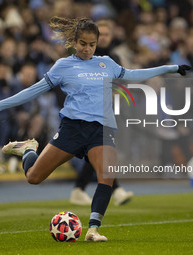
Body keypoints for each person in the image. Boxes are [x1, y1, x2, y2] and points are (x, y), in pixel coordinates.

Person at [0, 16, 190, 242]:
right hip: (72, 129)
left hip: (101, 130)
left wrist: (172, 68)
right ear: (74, 42)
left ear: (97, 43)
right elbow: (32, 91)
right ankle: (28, 149)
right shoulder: (63, 66)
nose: (87, 49)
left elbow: (134, 75)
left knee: (106, 176)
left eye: (92, 44)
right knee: (34, 177)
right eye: (83, 44)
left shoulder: (106, 63)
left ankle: (93, 229)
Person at [70, 19, 134, 207]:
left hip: (107, 112)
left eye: (107, 34)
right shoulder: (84, 55)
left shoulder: (113, 58)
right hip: (86, 111)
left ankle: (80, 189)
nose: (104, 37)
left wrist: (116, 99)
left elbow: (121, 85)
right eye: (101, 34)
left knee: (98, 151)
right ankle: (115, 190)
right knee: (100, 150)